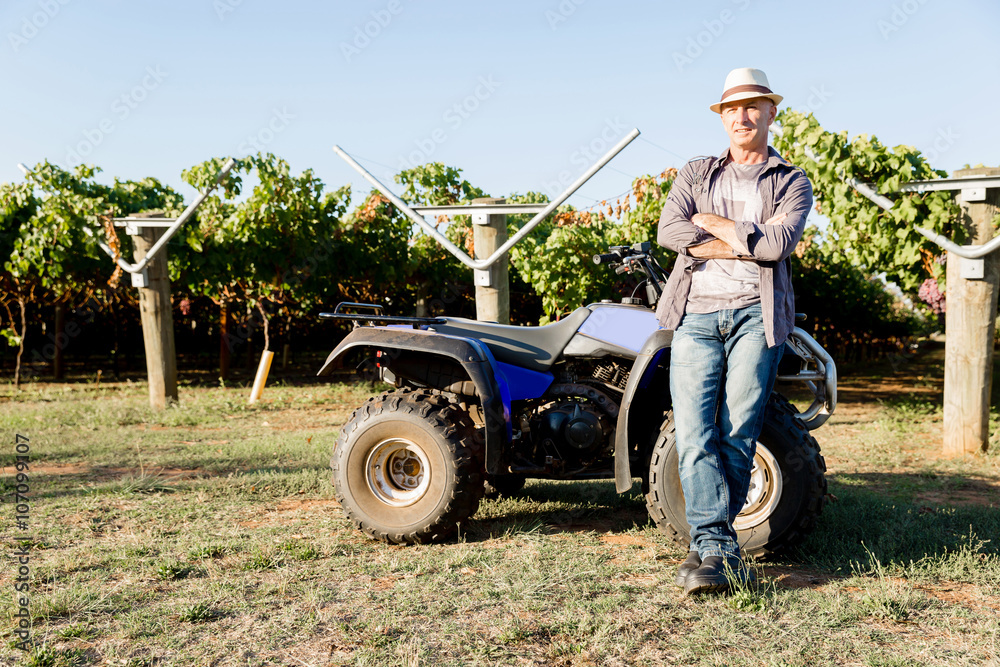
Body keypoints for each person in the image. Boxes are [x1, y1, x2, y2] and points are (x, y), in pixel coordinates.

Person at [654, 67, 812, 595]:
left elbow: (775, 247)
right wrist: (747, 238)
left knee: (737, 432)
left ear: (770, 112)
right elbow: (670, 230)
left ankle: (711, 549)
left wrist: (717, 226)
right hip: (696, 315)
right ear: (722, 117)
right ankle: (717, 548)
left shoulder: (791, 180)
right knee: (695, 434)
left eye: (752, 107)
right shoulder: (699, 172)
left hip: (754, 316)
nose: (742, 116)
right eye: (732, 109)